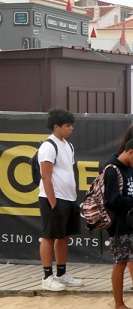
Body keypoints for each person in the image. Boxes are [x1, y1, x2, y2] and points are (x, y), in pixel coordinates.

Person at [37, 108, 83, 291]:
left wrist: (71, 198)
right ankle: (47, 277)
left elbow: (67, 171)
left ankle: (62, 274)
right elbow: (46, 177)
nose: (71, 128)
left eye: (71, 125)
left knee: (64, 236)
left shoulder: (68, 145)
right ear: (56, 127)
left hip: (69, 198)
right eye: (67, 125)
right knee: (48, 237)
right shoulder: (48, 146)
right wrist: (52, 202)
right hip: (53, 199)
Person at [104, 137, 133, 309]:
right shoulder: (112, 169)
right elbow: (113, 200)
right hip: (118, 224)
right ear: (130, 152)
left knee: (127, 259)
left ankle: (120, 303)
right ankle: (118, 304)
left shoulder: (128, 168)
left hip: (129, 222)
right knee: (120, 262)